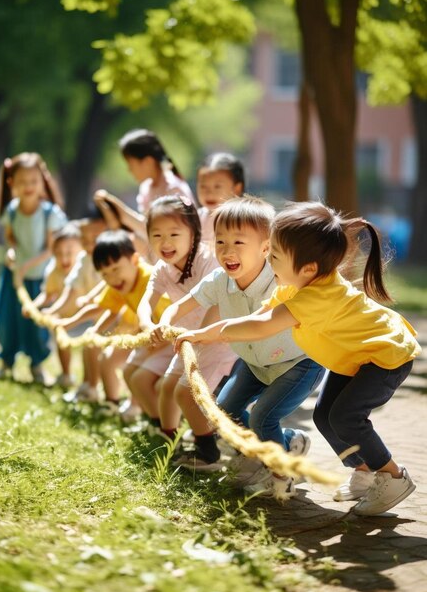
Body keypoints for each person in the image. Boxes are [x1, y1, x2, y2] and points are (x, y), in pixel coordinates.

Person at [177, 201, 421, 515]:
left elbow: (260, 326)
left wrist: (201, 335)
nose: (268, 259)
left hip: (385, 355)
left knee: (345, 418)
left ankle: (393, 476)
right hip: (357, 354)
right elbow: (261, 313)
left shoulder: (314, 296)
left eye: (275, 255)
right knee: (325, 417)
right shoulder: (295, 284)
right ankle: (364, 471)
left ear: (308, 268)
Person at [161, 198, 325, 496]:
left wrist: (199, 335)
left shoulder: (280, 282)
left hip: (298, 362)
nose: (228, 251)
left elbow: (255, 323)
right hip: (254, 362)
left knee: (264, 416)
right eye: (220, 241)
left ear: (266, 248)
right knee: (225, 411)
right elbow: (182, 305)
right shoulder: (219, 280)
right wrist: (165, 321)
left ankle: (280, 474)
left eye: (238, 242)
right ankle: (280, 445)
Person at [132, 195, 237, 451]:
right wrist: (148, 325)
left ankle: (208, 451)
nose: (165, 243)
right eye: (156, 236)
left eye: (174, 234)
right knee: (167, 387)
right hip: (189, 339)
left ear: (194, 233)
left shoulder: (207, 260)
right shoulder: (161, 269)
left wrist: (201, 335)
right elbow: (146, 301)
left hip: (218, 339)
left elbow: (218, 303)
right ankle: (170, 443)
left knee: (187, 393)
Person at [55, 230, 170, 418]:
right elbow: (108, 308)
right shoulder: (119, 284)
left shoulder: (151, 280)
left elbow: (169, 317)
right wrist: (93, 329)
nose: (112, 278)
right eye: (105, 274)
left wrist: (156, 341)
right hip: (141, 336)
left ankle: (141, 409)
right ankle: (113, 403)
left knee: (139, 373)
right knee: (107, 359)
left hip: (165, 339)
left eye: (116, 269)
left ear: (134, 260)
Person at [0, 152, 67, 383]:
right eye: (22, 182)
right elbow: (11, 239)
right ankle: (6, 362)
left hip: (38, 278)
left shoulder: (49, 213)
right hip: (13, 277)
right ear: (12, 183)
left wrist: (26, 266)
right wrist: (12, 255)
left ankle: (37, 366)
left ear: (42, 181)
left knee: (36, 325)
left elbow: (50, 249)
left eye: (33, 181)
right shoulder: (11, 211)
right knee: (6, 320)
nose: (28, 186)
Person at [94, 129, 194, 253]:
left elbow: (153, 230)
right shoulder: (146, 188)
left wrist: (122, 212)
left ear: (147, 162)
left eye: (130, 164)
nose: (129, 170)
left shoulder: (173, 188)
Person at [47, 211, 107, 402]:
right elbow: (70, 290)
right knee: (88, 345)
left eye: (95, 238)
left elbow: (108, 287)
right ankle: (88, 386)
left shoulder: (109, 256)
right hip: (99, 313)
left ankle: (94, 388)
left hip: (116, 313)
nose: (89, 244)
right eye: (85, 239)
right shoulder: (84, 259)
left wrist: (89, 298)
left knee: (94, 345)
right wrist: (54, 311)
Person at [29, 223, 83, 388]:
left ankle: (90, 381)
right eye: (59, 254)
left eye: (69, 253)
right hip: (63, 312)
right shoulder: (53, 269)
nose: (64, 259)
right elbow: (48, 294)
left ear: (80, 250)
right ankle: (66, 374)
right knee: (60, 337)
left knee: (92, 346)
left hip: (86, 311)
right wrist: (34, 306)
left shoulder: (85, 266)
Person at [196, 152, 245, 246]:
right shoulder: (195, 219)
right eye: (203, 186)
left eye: (217, 186)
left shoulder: (244, 220)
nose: (209, 192)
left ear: (237, 188)